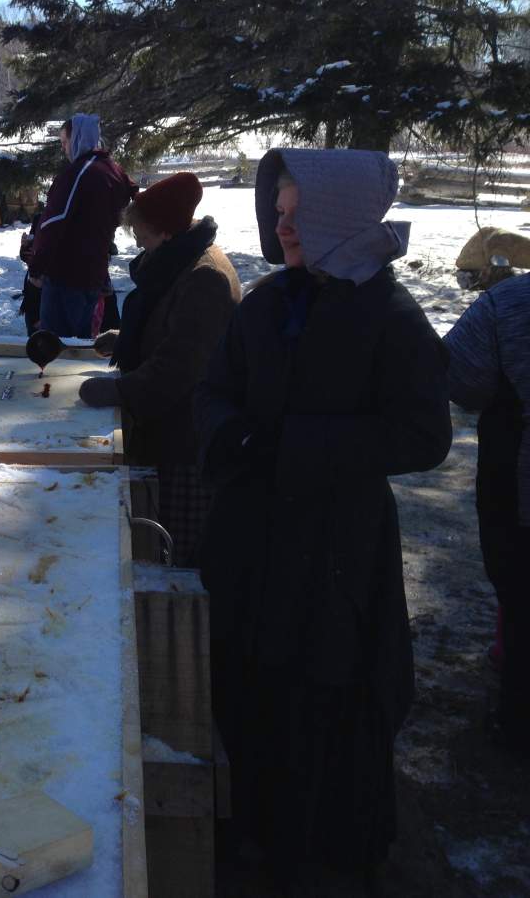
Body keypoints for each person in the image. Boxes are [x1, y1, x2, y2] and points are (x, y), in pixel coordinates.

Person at [195, 148, 452, 889]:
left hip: (336, 551)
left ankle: (321, 850)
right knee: (248, 682)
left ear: (338, 214)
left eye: (296, 214)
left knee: (325, 696)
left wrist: (300, 446)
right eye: (278, 213)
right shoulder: (267, 303)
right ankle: (254, 827)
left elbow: (424, 434)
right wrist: (233, 436)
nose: (282, 228)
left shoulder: (391, 316)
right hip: (253, 539)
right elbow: (213, 390)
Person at [78, 172, 241, 567]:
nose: (138, 243)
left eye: (143, 235)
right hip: (173, 429)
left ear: (166, 232)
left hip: (187, 441)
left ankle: (183, 603)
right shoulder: (181, 260)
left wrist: (118, 391)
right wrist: (127, 338)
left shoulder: (204, 277)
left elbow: (180, 367)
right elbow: (174, 328)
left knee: (177, 552)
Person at [445, 274, 530, 755]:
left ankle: (518, 725)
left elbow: (460, 377)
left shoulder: (510, 304)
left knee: (521, 601)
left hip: (519, 492)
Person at [27, 113, 136, 337]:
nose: (64, 149)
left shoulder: (78, 173)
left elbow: (53, 222)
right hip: (95, 273)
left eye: (65, 142)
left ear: (77, 139)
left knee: (57, 344)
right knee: (83, 341)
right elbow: (132, 195)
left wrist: (37, 266)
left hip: (67, 275)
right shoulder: (114, 170)